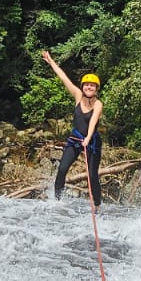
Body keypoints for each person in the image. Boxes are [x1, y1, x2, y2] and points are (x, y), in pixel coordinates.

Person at [41, 50, 103, 207]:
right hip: (75, 139)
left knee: (92, 175)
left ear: (96, 89)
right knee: (62, 169)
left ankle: (97, 205)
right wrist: (51, 62)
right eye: (87, 85)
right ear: (83, 86)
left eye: (92, 86)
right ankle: (57, 201)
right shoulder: (77, 95)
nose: (89, 87)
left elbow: (93, 122)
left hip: (92, 141)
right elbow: (63, 78)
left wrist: (88, 138)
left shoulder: (98, 104)